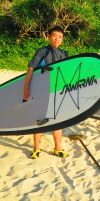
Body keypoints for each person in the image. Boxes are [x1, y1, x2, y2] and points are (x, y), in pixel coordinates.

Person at [23, 26, 69, 159]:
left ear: (62, 39)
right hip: (42, 92)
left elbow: (66, 73)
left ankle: (57, 149)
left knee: (57, 120)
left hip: (58, 91)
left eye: (60, 37)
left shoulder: (64, 53)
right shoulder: (42, 51)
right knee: (39, 119)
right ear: (49, 36)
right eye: (54, 36)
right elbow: (31, 69)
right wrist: (26, 88)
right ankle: (36, 149)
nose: (57, 39)